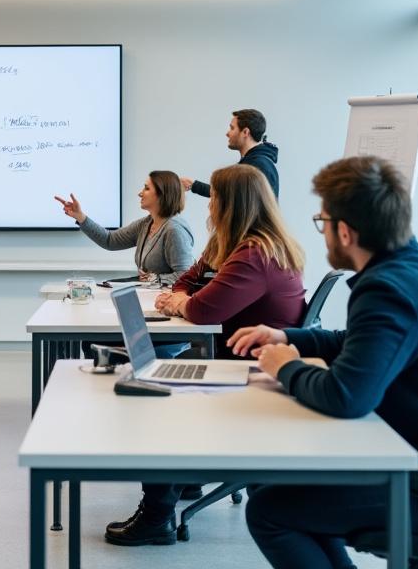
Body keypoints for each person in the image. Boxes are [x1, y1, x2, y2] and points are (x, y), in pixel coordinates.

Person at [228, 156, 418, 569]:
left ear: (345, 232)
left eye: (322, 222)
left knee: (269, 511)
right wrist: (288, 338)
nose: (323, 232)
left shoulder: (388, 289)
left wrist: (286, 367)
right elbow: (362, 342)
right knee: (271, 482)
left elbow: (346, 397)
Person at [104, 164, 307, 548]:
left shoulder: (254, 254)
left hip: (250, 375)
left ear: (231, 204)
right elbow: (188, 279)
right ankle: (182, 483)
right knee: (158, 378)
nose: (208, 204)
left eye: (213, 198)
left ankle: (156, 518)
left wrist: (182, 302)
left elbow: (202, 311)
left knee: (156, 402)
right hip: (244, 365)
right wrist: (183, 297)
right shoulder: (236, 245)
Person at [54, 171, 194, 286]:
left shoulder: (174, 230)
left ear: (162, 194)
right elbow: (110, 240)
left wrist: (155, 279)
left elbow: (186, 276)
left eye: (146, 188)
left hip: (166, 301)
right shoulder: (146, 224)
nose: (140, 193)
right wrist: (80, 217)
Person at [182, 108, 280, 199]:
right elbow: (231, 194)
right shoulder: (252, 163)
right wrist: (193, 185)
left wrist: (194, 185)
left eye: (232, 128)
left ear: (245, 132)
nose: (227, 133)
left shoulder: (259, 166)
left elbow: (241, 201)